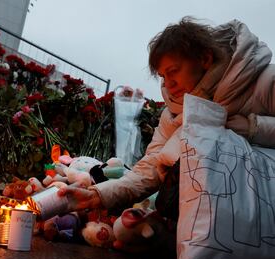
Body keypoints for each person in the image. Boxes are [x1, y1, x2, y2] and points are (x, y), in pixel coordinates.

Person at [58, 17, 275, 238]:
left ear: (205, 59)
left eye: (174, 71)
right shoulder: (173, 112)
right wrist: (98, 195)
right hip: (208, 220)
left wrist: (252, 128)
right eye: (163, 75)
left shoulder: (263, 81)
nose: (168, 84)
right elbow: (150, 167)